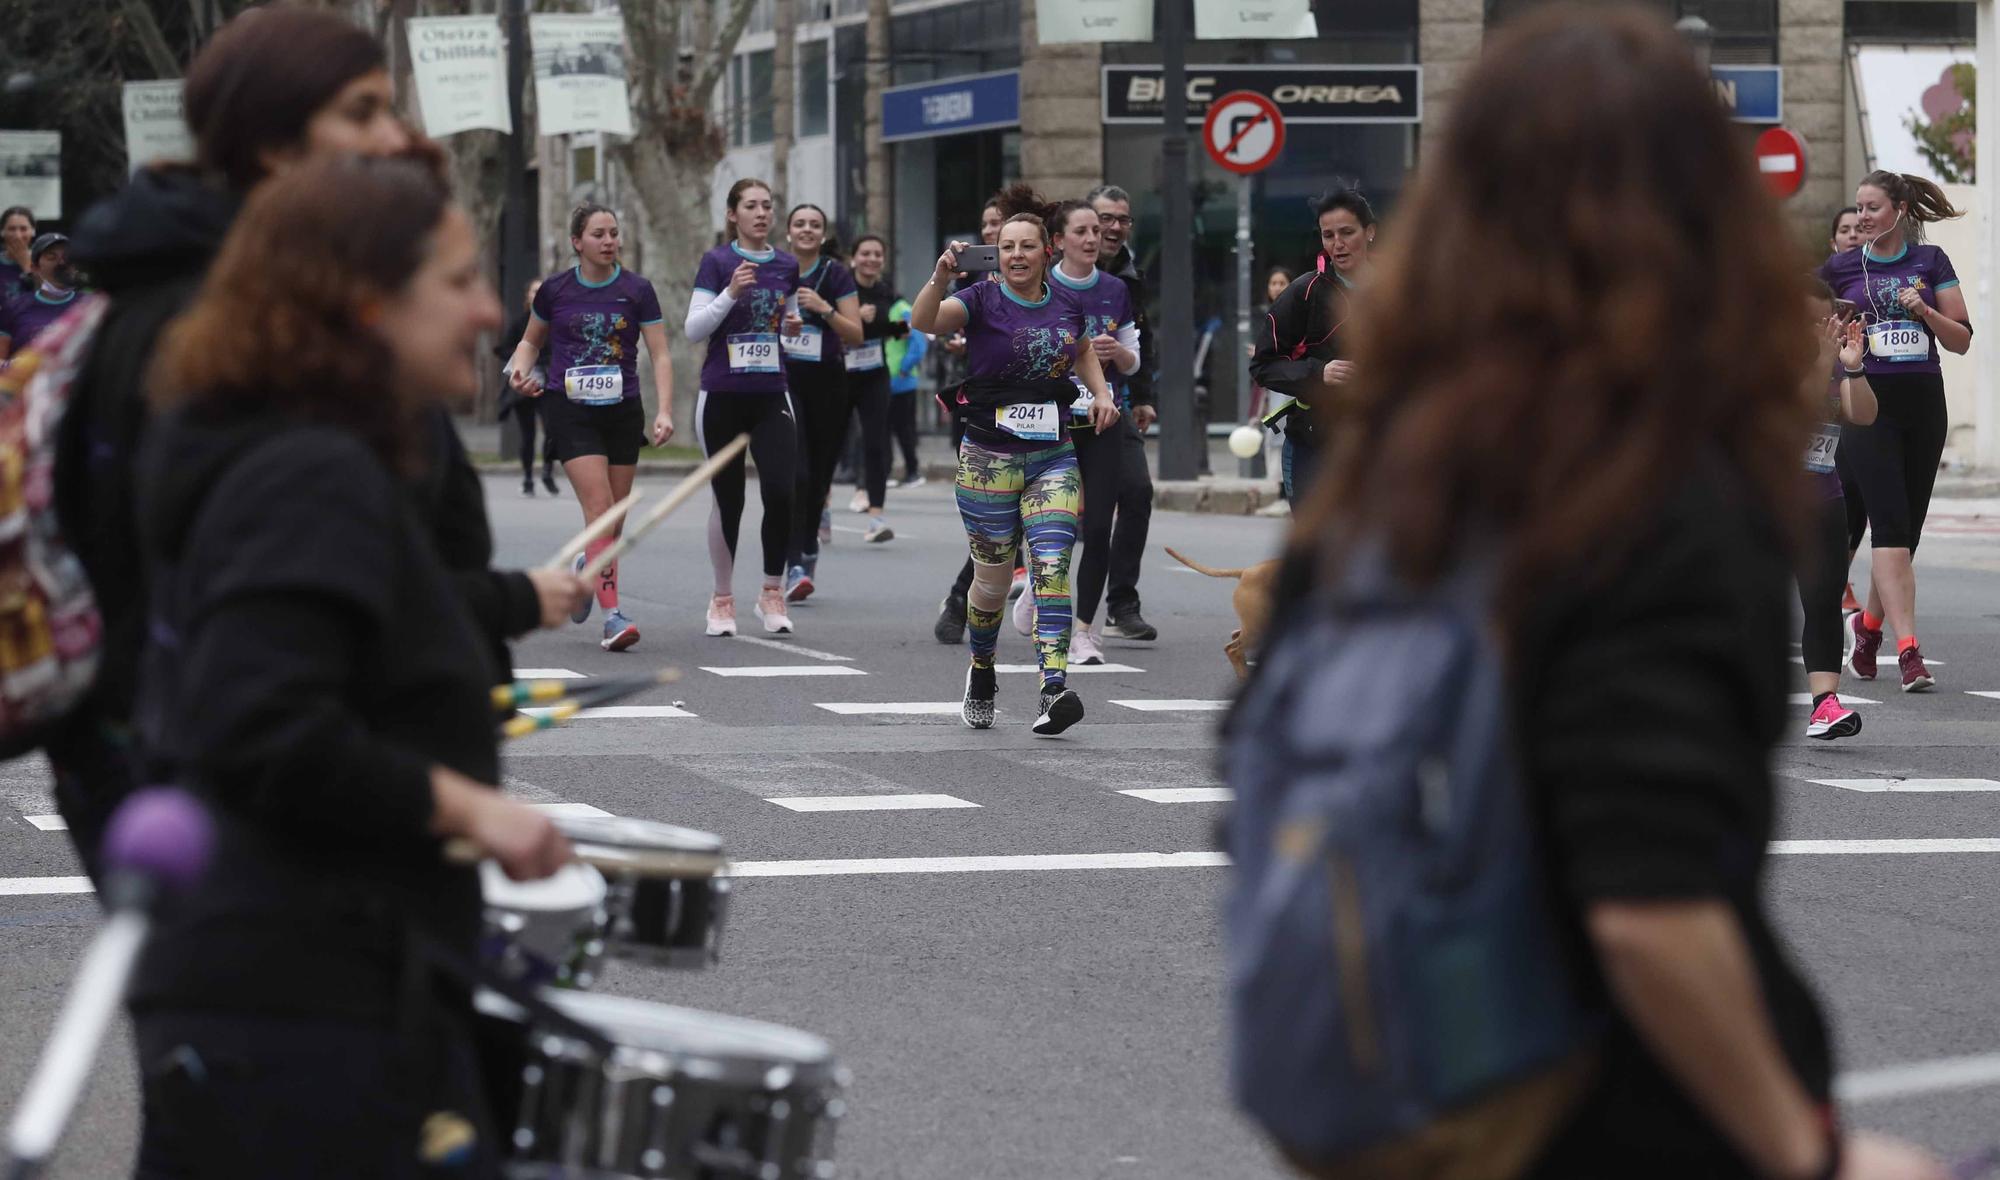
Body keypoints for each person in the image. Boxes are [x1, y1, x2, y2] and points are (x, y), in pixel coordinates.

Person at [1276, 8, 1946, 1177]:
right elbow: (1643, 910)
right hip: (1612, 1106)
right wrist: (1804, 1148)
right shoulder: (1653, 496)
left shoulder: (1395, 477)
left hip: (1394, 1081)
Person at [53, 5, 583, 880]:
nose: (394, 138)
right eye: (363, 112)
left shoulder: (244, 301)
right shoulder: (231, 332)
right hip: (252, 837)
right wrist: (507, 607)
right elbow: (283, 627)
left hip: (275, 807)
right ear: (274, 147)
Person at [133, 153, 573, 1180]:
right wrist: (473, 809)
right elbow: (261, 724)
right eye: (457, 280)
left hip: (327, 978)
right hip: (301, 1002)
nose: (489, 309)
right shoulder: (307, 469)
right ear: (364, 303)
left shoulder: (311, 448)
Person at [909, 189, 1120, 737]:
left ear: (1048, 251)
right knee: (993, 584)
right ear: (997, 253)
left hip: (1052, 455)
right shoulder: (979, 300)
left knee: (1052, 566)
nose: (1017, 255)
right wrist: (939, 277)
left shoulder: (1066, 303)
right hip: (988, 460)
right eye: (1007, 247)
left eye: (1028, 246)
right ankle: (982, 671)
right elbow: (923, 320)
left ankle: (1054, 688)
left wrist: (1101, 394)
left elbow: (1080, 351)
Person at [1819, 170, 1972, 692]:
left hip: (1924, 405)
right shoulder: (1840, 269)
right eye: (1858, 208)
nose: (1862, 217)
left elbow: (1961, 340)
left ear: (1900, 211)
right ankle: (1910, 652)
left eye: (1872, 208)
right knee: (1887, 524)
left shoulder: (1930, 263)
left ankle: (1868, 627)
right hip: (1866, 406)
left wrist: (1924, 310)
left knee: (1906, 534)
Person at [507, 203, 670, 653]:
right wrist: (518, 373)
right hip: (571, 410)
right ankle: (613, 616)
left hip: (623, 411)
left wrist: (665, 411)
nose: (609, 241)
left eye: (614, 233)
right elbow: (529, 342)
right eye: (598, 234)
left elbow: (659, 353)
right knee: (600, 509)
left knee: (614, 520)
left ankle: (585, 569)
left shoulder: (637, 290)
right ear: (578, 241)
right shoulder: (556, 290)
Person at [686, 177, 802, 636]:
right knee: (728, 499)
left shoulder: (787, 265)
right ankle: (722, 599)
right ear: (732, 214)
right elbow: (695, 328)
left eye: (767, 206)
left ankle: (771, 592)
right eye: (750, 206)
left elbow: (787, 324)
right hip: (722, 395)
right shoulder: (717, 262)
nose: (761, 213)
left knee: (780, 491)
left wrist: (792, 328)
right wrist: (731, 291)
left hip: (772, 392)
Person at [1046, 200, 1140, 667]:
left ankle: (1083, 631)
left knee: (1099, 526)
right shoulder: (1040, 286)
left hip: (1104, 417)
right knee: (1056, 528)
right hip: (1050, 422)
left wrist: (1116, 355)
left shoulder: (1116, 289)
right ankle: (1037, 599)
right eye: (1080, 231)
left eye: (1095, 230)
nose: (1091, 238)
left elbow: (1133, 357)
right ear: (1058, 241)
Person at [1250, 189, 1377, 505]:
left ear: (1370, 232)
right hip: (1313, 443)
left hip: (1382, 444)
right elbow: (1263, 366)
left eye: (1347, 232)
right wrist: (1319, 372)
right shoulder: (1303, 292)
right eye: (1328, 235)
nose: (1338, 243)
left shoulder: (1400, 289)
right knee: (1316, 549)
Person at [1800, 283, 1878, 740]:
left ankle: (1824, 704)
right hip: (1763, 499)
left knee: (1822, 602)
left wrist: (1854, 370)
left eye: (1822, 319)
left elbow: (1864, 415)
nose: (1817, 329)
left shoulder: (1833, 360)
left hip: (1823, 496)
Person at [1087, 183, 1160, 643]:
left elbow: (1140, 342)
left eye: (1121, 220)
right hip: (1054, 405)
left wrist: (1144, 394)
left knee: (1136, 491)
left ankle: (1122, 603)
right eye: (1104, 220)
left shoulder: (1130, 278)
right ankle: (966, 596)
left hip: (1114, 400)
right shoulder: (1052, 272)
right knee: (1019, 504)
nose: (1113, 229)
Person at [780, 203, 864, 600]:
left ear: (823, 233)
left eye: (815, 224)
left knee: (818, 477)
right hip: (782, 379)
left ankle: (808, 547)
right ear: (788, 231)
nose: (807, 230)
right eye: (800, 224)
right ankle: (793, 561)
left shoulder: (836, 273)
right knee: (795, 471)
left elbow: (856, 333)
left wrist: (823, 308)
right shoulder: (775, 268)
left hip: (828, 382)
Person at [844, 233, 905, 540]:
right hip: (840, 374)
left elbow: (897, 325)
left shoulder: (886, 292)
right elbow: (828, 325)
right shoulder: (842, 288)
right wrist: (854, 316)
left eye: (877, 254)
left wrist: (902, 328)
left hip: (874, 373)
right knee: (830, 443)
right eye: (865, 253)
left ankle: (876, 519)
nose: (871, 259)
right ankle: (821, 511)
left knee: (876, 444)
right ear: (853, 258)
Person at [1827, 207, 1867, 614]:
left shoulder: (1875, 278)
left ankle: (1839, 576)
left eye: (1859, 228)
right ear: (1833, 240)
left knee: (1856, 496)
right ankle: (1832, 579)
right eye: (1845, 230)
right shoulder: (1825, 278)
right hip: (1823, 403)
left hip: (1862, 389)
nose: (1853, 235)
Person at [496, 278, 558, 497]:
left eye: (541, 291)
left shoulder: (554, 322)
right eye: (534, 291)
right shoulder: (519, 323)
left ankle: (548, 472)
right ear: (527, 296)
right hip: (524, 384)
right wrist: (522, 358)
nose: (537, 295)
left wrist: (546, 360)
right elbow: (502, 349)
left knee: (552, 430)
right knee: (528, 434)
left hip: (548, 383)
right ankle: (528, 478)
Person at [0, 233, 81, 361]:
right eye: (51, 257)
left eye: (67, 257)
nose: (61, 263)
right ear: (35, 268)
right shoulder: (13, 307)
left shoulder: (91, 304)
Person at [887, 290, 927, 486]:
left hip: (901, 381)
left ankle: (913, 472)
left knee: (905, 430)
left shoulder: (901, 310)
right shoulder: (890, 311)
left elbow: (918, 342)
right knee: (888, 430)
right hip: (888, 380)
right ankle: (887, 472)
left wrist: (904, 367)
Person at [0, 206, 36, 294]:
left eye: (23, 229)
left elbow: (50, 297)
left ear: (33, 231)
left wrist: (27, 267)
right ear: (2, 232)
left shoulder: (44, 262)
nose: (18, 236)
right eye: (11, 229)